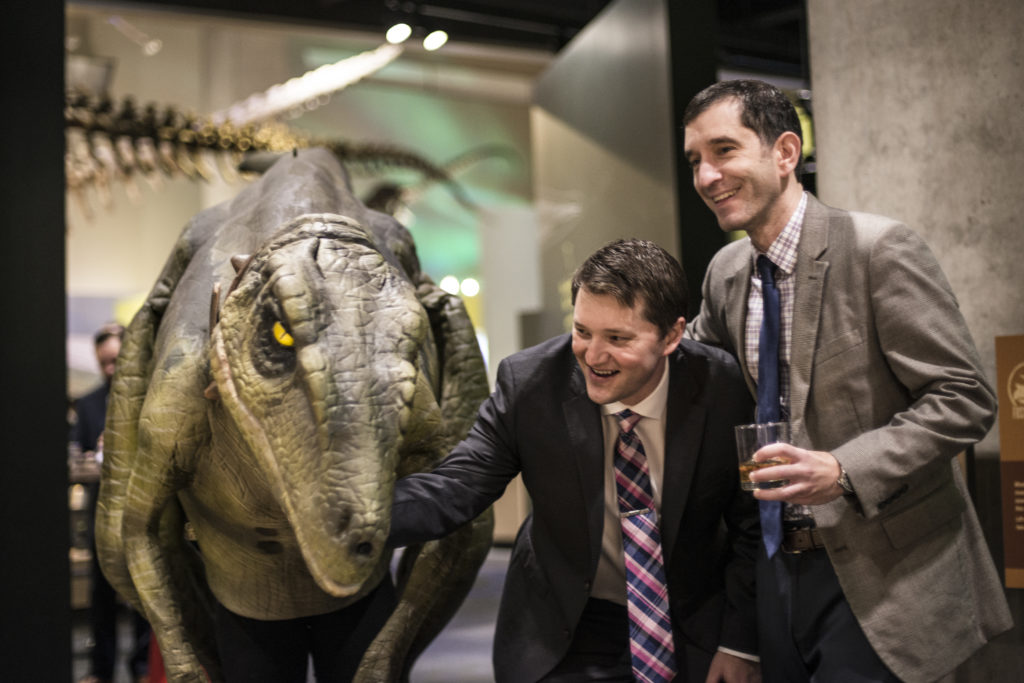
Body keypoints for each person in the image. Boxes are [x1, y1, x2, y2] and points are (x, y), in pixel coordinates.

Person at [681, 79, 1012, 683]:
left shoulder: (878, 249)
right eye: (695, 160)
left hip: (885, 575)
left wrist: (843, 469)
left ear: (785, 152)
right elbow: (697, 378)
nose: (706, 176)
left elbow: (963, 398)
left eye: (724, 151)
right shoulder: (725, 273)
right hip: (776, 571)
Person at [389, 239, 761, 682]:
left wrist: (741, 643)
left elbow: (752, 525)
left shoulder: (723, 388)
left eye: (617, 338)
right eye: (583, 331)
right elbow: (458, 486)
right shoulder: (529, 384)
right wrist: (357, 519)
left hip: (692, 625)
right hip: (565, 628)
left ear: (672, 336)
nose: (593, 355)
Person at [71, 323, 151, 683]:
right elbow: (78, 455)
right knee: (100, 598)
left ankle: (143, 670)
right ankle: (101, 672)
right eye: (103, 362)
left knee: (144, 597)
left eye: (115, 360)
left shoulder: (148, 399)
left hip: (139, 515)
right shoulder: (88, 404)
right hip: (101, 515)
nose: (109, 369)